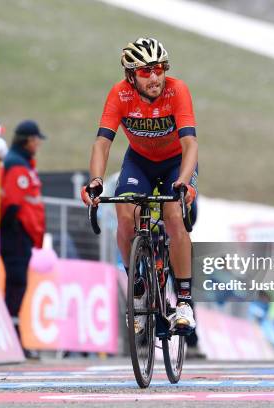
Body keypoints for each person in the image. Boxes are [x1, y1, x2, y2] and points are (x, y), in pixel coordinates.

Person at [81, 37, 198, 334]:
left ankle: (183, 301)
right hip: (140, 161)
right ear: (130, 75)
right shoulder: (119, 95)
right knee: (124, 216)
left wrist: (183, 182)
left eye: (159, 68)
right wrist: (95, 180)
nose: (155, 76)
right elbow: (102, 143)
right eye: (146, 71)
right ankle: (137, 284)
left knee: (173, 218)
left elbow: (190, 143)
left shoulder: (177, 90)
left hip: (175, 162)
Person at [0, 120, 46, 356]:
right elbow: (12, 203)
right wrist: (15, 229)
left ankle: (12, 337)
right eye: (36, 139)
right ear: (29, 140)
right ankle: (11, 339)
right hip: (16, 234)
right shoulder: (17, 166)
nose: (38, 144)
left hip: (20, 234)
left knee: (17, 285)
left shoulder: (22, 164)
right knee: (16, 284)